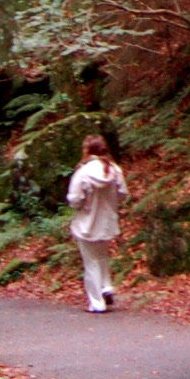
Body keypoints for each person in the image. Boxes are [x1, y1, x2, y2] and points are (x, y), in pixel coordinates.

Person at [66, 134, 127, 313]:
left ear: (87, 150)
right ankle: (106, 287)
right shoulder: (115, 170)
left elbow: (74, 199)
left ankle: (96, 302)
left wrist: (83, 204)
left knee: (90, 261)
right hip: (107, 222)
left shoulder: (83, 172)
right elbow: (122, 194)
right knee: (102, 255)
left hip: (86, 224)